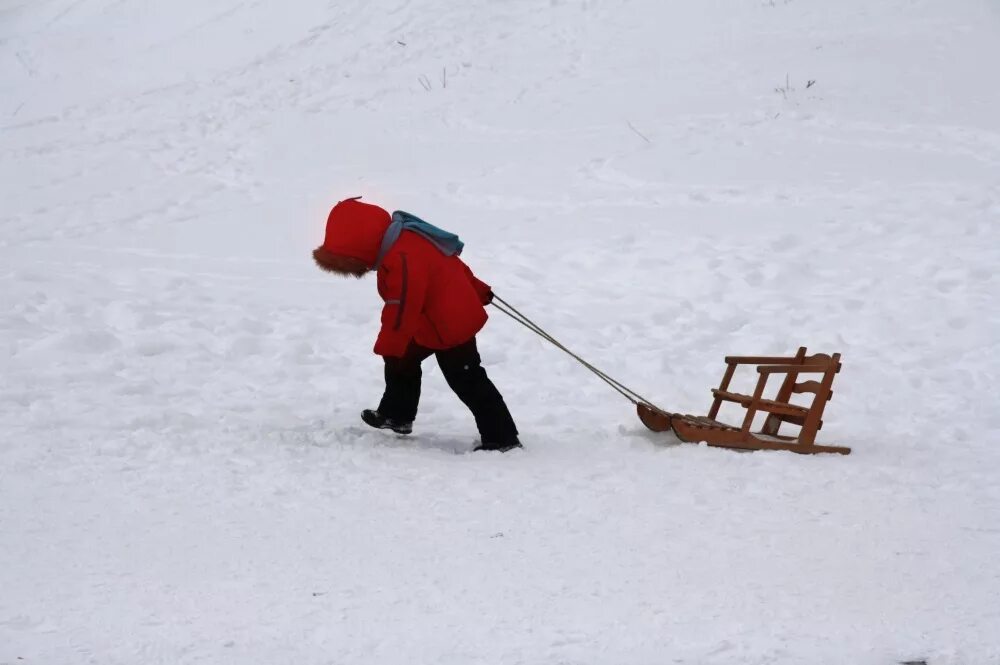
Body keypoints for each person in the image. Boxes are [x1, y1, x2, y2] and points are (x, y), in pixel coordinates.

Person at [312, 197, 522, 452]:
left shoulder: (401, 258)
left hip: (450, 325)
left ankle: (502, 438)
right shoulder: (406, 235)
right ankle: (397, 415)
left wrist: (389, 343)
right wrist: (479, 289)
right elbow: (450, 264)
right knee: (401, 360)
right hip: (431, 320)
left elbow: (401, 308)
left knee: (466, 379)